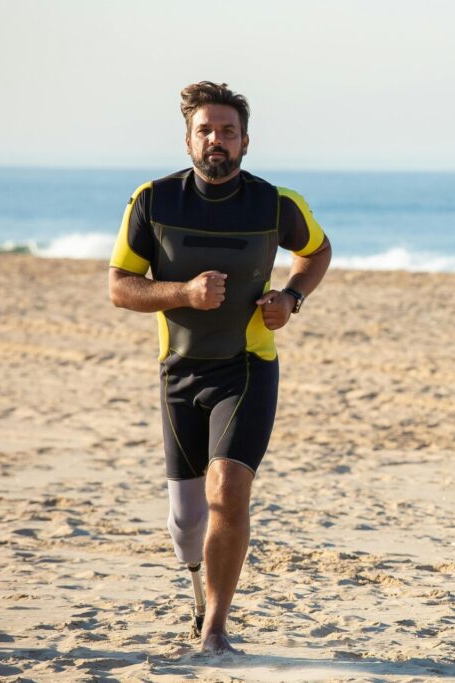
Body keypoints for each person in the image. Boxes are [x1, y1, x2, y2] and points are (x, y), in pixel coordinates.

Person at [108, 81, 332, 654]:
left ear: (245, 142)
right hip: (180, 372)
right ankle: (195, 589)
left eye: (228, 131)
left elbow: (316, 251)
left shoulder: (275, 204)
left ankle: (216, 629)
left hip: (247, 367)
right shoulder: (153, 201)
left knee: (229, 491)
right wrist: (183, 291)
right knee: (187, 524)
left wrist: (291, 299)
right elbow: (120, 287)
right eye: (206, 130)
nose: (217, 140)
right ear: (188, 140)